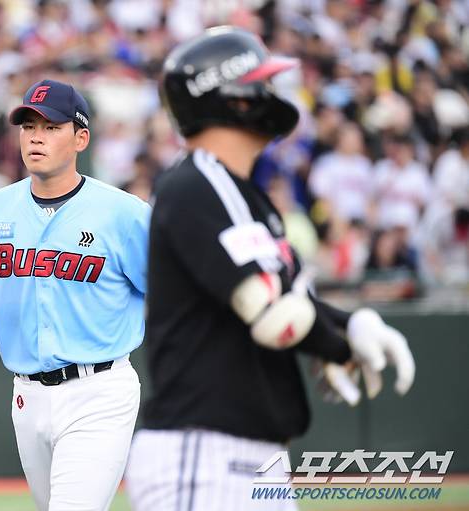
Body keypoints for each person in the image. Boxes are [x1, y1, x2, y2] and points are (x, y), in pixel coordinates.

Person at [124, 26, 415, 511]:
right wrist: (337, 340)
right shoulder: (196, 182)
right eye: (260, 82)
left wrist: (350, 327)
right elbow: (275, 314)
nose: (272, 95)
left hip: (253, 456)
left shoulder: (247, 196)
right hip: (205, 448)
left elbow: (293, 302)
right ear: (232, 98)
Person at [0, 79, 151, 511]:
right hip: (27, 397)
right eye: (28, 125)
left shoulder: (125, 213)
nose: (36, 136)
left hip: (101, 391)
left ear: (81, 138)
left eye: (51, 126)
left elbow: (173, 300)